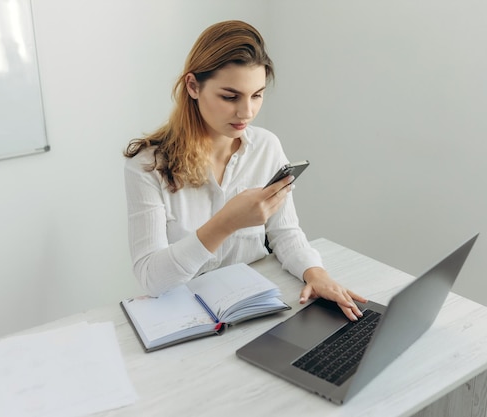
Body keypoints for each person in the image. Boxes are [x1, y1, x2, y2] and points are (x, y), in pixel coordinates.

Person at [123, 20, 366, 321]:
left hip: (256, 305)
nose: (247, 112)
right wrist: (225, 223)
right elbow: (151, 278)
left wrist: (315, 273)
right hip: (183, 318)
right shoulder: (147, 165)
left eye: (257, 95)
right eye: (230, 97)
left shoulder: (266, 147)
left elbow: (285, 233)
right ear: (193, 86)